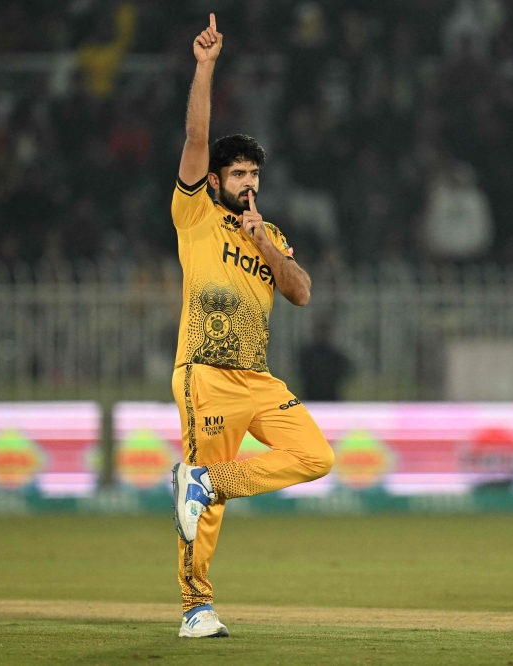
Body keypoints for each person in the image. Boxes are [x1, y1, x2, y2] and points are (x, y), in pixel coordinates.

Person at [169, 15, 335, 638]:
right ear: (216, 181)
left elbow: (301, 293)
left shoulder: (270, 235)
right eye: (238, 174)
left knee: (316, 456)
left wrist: (264, 242)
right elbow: (195, 136)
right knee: (206, 517)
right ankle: (196, 608)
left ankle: (206, 482)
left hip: (257, 379)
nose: (248, 183)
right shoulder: (195, 213)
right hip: (206, 374)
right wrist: (206, 66)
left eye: (254, 175)